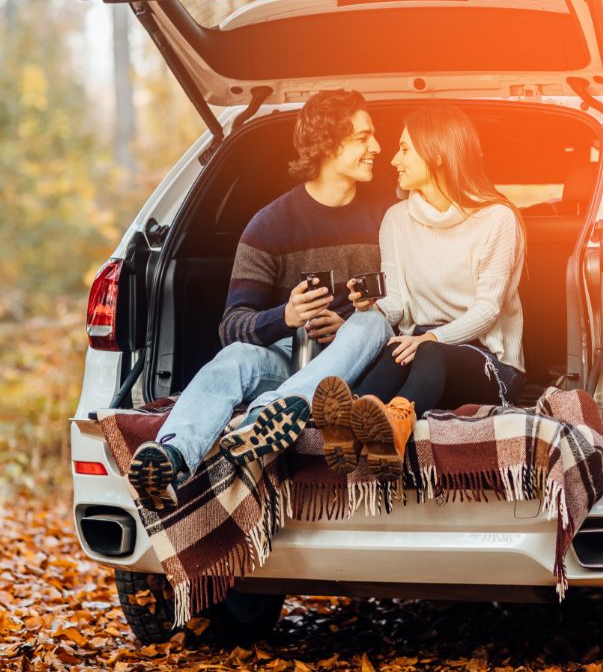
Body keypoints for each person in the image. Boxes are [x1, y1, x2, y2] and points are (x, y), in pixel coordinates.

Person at [127, 89, 394, 511]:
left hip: (366, 363)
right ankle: (171, 455)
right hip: (294, 363)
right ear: (329, 144)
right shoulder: (270, 225)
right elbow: (232, 323)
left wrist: (349, 327)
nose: (376, 147)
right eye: (363, 138)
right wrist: (286, 316)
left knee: (373, 322)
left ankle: (267, 416)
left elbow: (413, 301)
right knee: (234, 357)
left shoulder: (387, 216)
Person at [311, 104, 526, 482]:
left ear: (438, 153)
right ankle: (348, 425)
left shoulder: (497, 218)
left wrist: (432, 336)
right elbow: (398, 302)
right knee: (397, 349)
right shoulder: (396, 219)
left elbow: (488, 310)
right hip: (419, 345)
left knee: (424, 350)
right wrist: (370, 308)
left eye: (405, 149)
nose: (394, 159)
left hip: (488, 358)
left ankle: (392, 432)